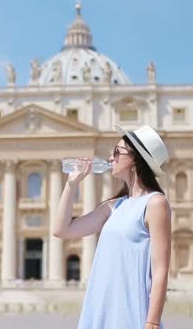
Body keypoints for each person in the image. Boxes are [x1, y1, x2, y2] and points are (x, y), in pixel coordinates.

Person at [55, 125, 171, 328]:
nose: (110, 158)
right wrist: (71, 184)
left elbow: (160, 270)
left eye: (117, 152)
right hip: (102, 309)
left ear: (135, 158)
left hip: (132, 312)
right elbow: (61, 230)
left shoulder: (155, 203)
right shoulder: (113, 206)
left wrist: (152, 321)